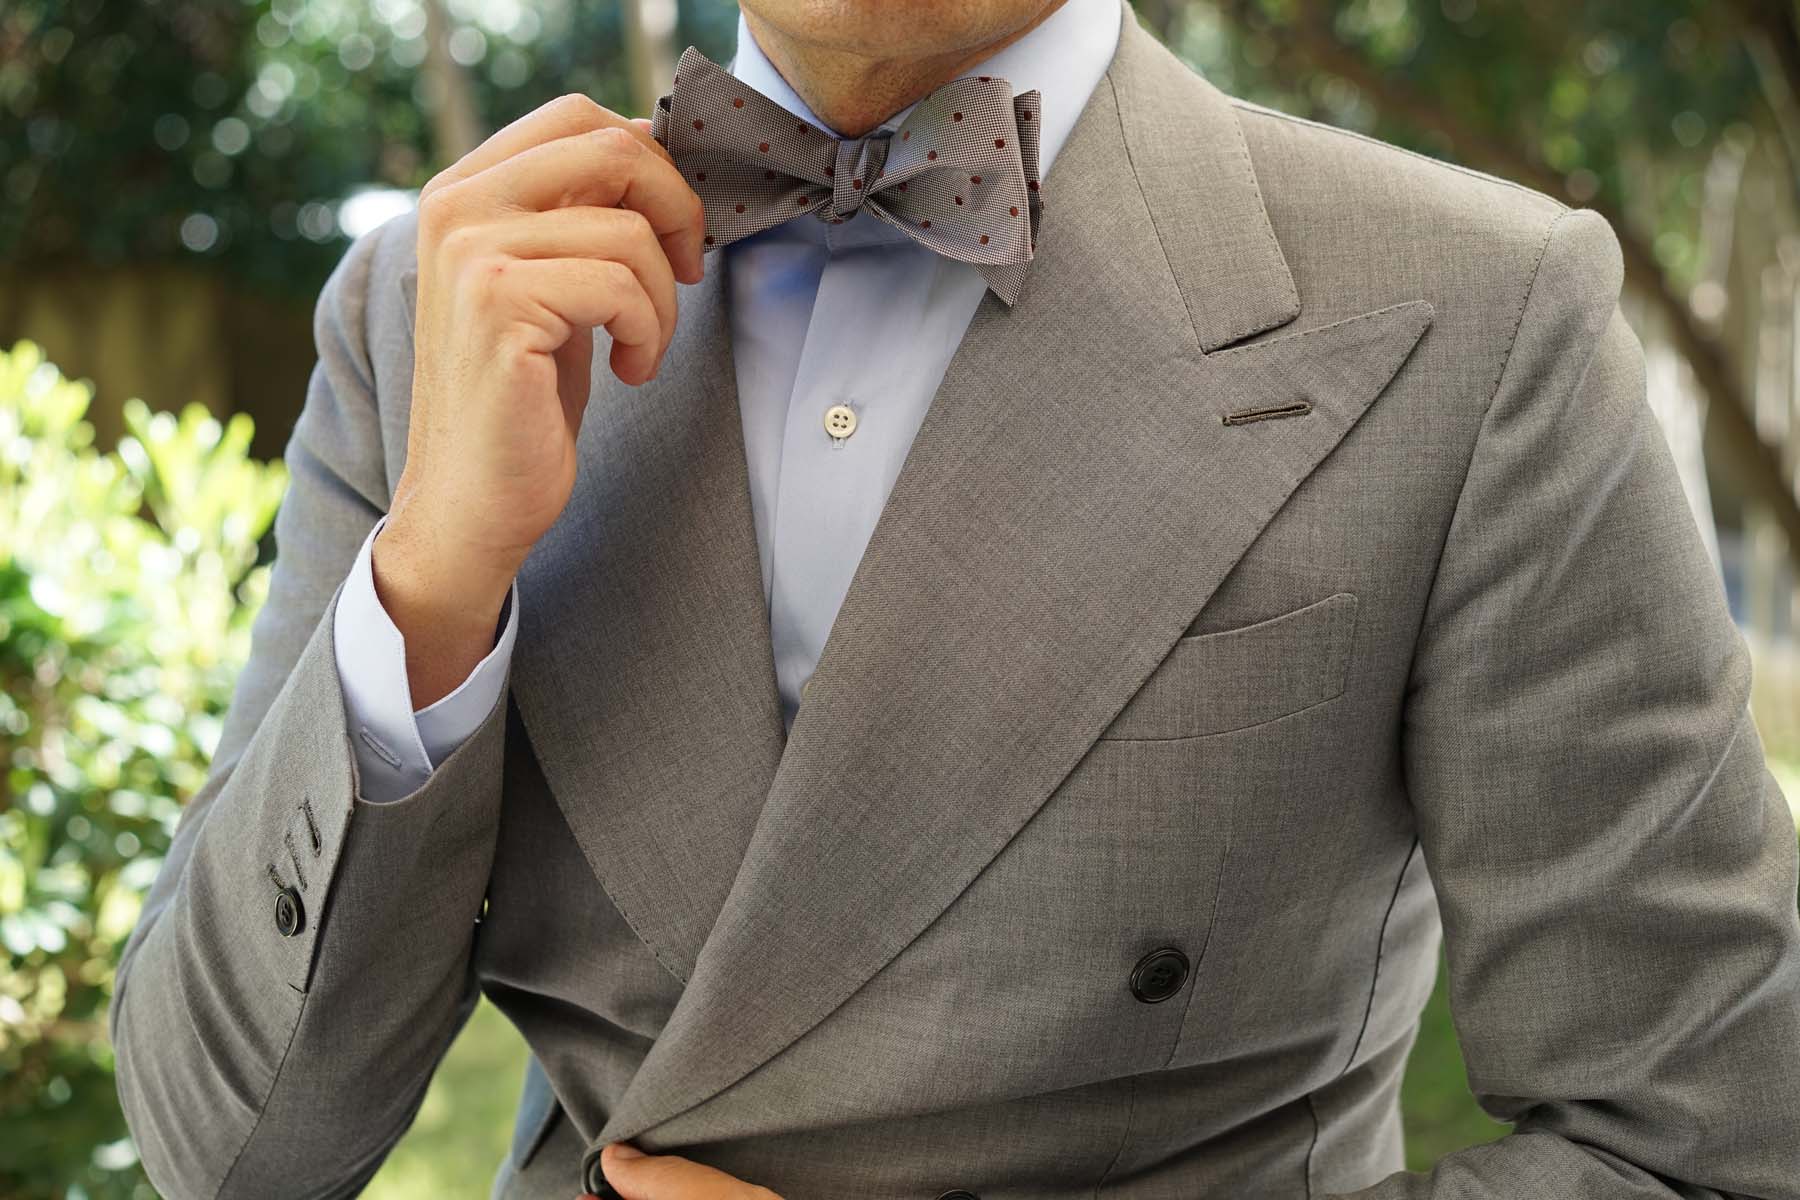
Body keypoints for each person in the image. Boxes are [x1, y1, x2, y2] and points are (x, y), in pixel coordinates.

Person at [109, 0, 1800, 1196]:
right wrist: (430, 586)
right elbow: (224, 1155)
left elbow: (1703, 1143)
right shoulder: (425, 304)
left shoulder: (1478, 315)